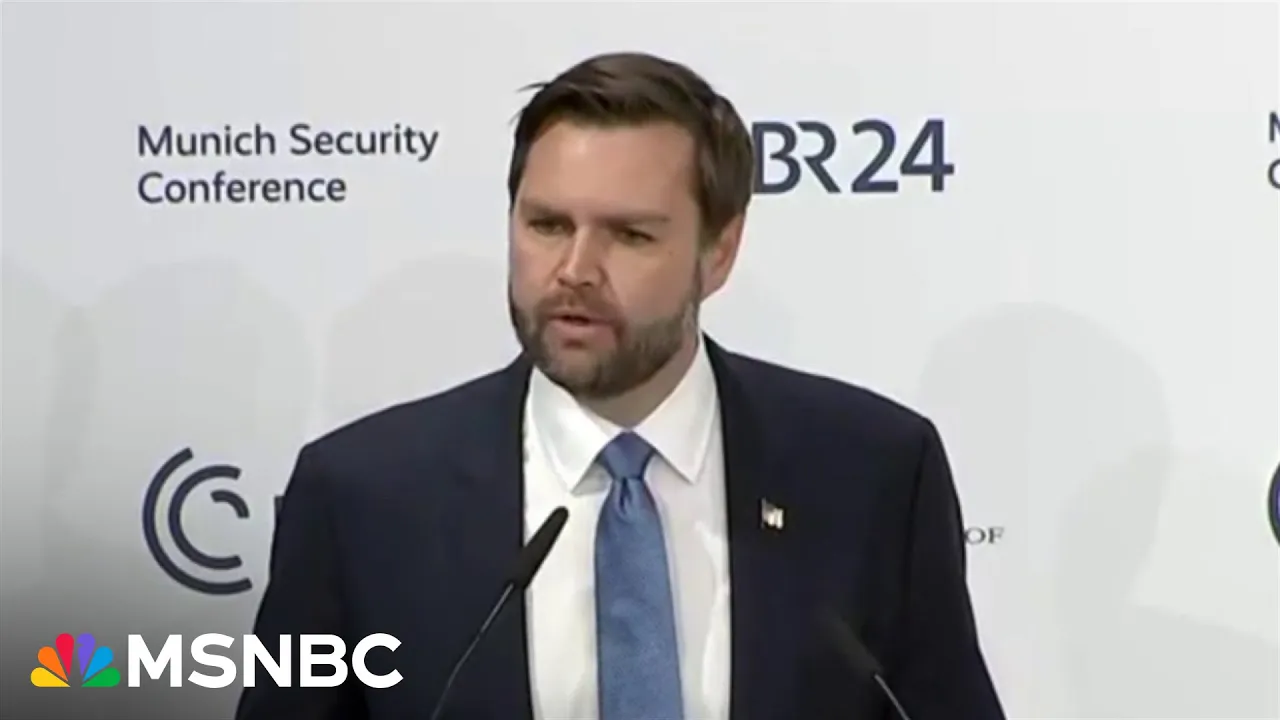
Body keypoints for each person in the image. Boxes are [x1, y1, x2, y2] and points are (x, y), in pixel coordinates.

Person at [235, 51, 1005, 720]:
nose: (574, 270)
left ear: (719, 251)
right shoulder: (361, 497)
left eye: (630, 235)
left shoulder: (872, 473)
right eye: (546, 225)